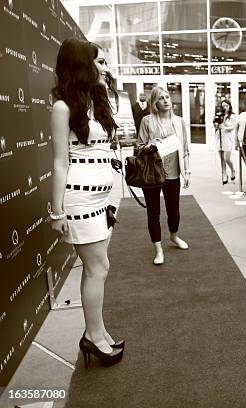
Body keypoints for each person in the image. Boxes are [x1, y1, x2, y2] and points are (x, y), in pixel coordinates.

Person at [50, 38, 124, 368]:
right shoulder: (62, 107)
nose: (106, 67)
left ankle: (97, 331)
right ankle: (94, 337)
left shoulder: (96, 101)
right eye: (101, 62)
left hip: (102, 198)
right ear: (82, 64)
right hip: (78, 200)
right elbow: (59, 162)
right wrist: (56, 210)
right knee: (99, 268)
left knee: (96, 269)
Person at [138, 86, 191, 265]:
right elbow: (138, 147)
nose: (166, 100)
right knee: (153, 212)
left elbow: (185, 150)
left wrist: (188, 171)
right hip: (152, 173)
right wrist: (151, 145)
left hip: (173, 172)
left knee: (173, 211)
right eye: (161, 98)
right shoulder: (147, 121)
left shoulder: (180, 122)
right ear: (154, 102)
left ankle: (174, 236)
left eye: (167, 97)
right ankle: (158, 249)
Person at [215, 100, 236, 184]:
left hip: (227, 139)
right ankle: (224, 174)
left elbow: (232, 127)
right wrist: (216, 123)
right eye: (223, 106)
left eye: (226, 105)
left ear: (229, 106)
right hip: (219, 138)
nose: (224, 107)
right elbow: (216, 126)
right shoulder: (219, 115)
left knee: (226, 158)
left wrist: (223, 126)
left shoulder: (232, 116)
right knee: (221, 159)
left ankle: (232, 170)